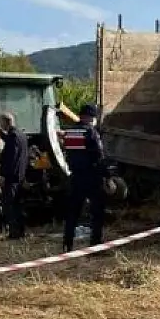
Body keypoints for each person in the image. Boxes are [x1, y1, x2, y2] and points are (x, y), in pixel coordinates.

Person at [61, 104, 107, 253]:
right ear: (90, 118)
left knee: (72, 213)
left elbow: (69, 154)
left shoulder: (70, 132)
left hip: (75, 176)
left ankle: (67, 245)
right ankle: (95, 246)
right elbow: (99, 156)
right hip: (91, 177)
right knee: (97, 213)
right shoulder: (91, 132)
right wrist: (106, 174)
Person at [0, 112, 28, 239]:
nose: (1, 124)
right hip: (20, 175)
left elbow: (11, 158)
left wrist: (4, 175)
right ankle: (20, 231)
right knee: (18, 205)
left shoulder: (13, 136)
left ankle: (14, 233)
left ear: (6, 122)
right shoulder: (21, 135)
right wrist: (1, 133)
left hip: (12, 177)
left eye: (1, 122)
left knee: (10, 205)